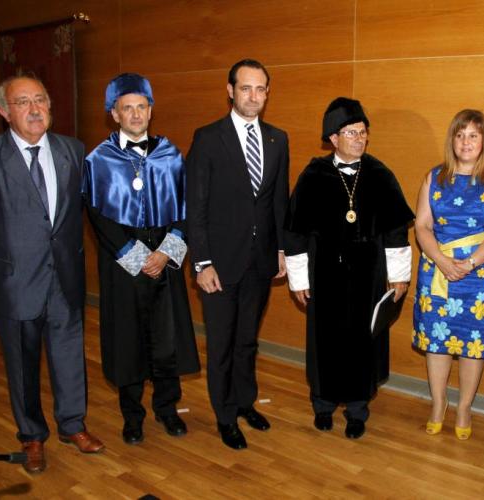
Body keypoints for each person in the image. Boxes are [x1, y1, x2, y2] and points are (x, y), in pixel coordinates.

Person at [0, 75, 104, 474]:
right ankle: (32, 435)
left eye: (40, 100)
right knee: (22, 362)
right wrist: (5, 262)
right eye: (23, 102)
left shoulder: (73, 150)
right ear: (4, 112)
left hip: (65, 278)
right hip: (15, 282)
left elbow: (79, 212)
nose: (35, 109)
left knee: (69, 354)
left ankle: (73, 425)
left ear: (50, 107)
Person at [284, 97, 414, 439]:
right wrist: (298, 278)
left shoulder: (380, 174)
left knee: (362, 342)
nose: (359, 139)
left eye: (363, 132)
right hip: (324, 276)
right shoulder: (313, 176)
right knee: (325, 342)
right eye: (351, 133)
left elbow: (396, 230)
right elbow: (295, 232)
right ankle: (323, 405)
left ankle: (357, 409)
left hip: (368, 277)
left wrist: (399, 276)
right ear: (333, 138)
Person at [83, 73, 200, 446]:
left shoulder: (171, 155)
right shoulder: (98, 160)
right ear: (114, 114)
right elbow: (97, 215)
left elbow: (187, 207)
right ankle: (132, 416)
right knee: (128, 339)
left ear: (151, 110)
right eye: (127, 108)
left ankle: (167, 408)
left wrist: (166, 251)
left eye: (141, 107)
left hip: (165, 255)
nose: (135, 114)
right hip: (123, 260)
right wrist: (135, 256)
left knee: (167, 338)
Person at [185, 59, 289, 450]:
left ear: (267, 93)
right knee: (222, 345)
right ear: (230, 91)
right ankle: (225, 416)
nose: (253, 96)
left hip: (260, 262)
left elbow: (279, 202)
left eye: (260, 89)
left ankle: (245, 402)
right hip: (219, 265)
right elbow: (195, 207)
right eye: (246, 88)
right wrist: (202, 263)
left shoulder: (278, 139)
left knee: (247, 340)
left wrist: (282, 250)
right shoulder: (208, 138)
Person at [412, 109, 484, 440]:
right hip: (437, 270)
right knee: (437, 343)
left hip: (482, 275)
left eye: (473, 135)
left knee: (474, 343)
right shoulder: (434, 177)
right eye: (460, 135)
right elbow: (422, 225)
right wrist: (442, 261)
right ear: (452, 140)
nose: (466, 142)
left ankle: (465, 407)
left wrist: (468, 264)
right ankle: (438, 404)